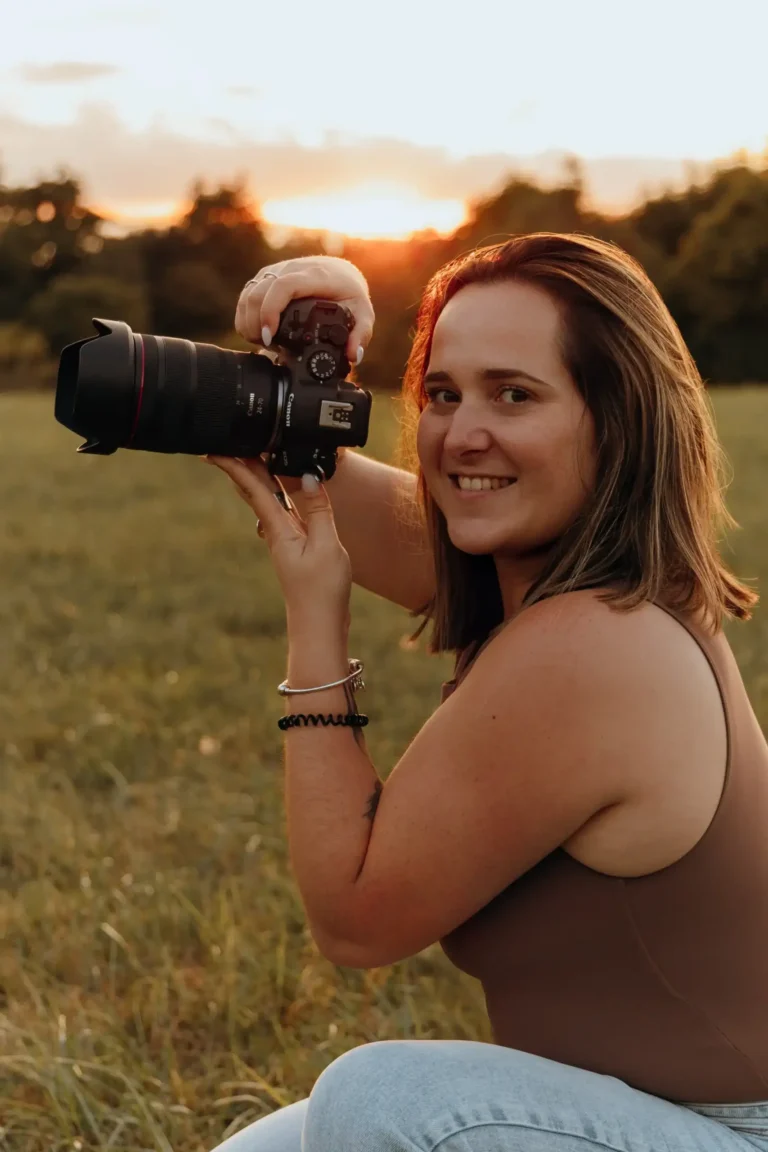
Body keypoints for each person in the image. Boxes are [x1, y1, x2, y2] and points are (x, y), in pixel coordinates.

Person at [204, 237, 768, 1151]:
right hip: (636, 1113)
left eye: (515, 394)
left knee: (384, 1104)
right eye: (442, 392)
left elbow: (353, 918)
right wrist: (319, 337)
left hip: (731, 1131)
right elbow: (300, 461)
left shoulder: (599, 649)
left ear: (615, 421)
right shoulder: (561, 579)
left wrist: (316, 620)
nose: (463, 434)